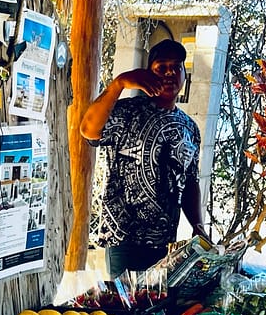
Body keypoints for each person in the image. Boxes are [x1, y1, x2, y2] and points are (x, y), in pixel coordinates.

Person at [80, 37, 210, 278]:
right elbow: (88, 130)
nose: (170, 73)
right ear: (146, 75)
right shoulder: (127, 111)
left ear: (184, 75)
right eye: (161, 67)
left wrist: (197, 225)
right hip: (122, 237)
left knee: (154, 308)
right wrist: (118, 84)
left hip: (164, 241)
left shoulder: (189, 128)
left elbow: (190, 180)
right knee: (121, 310)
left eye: (176, 67)